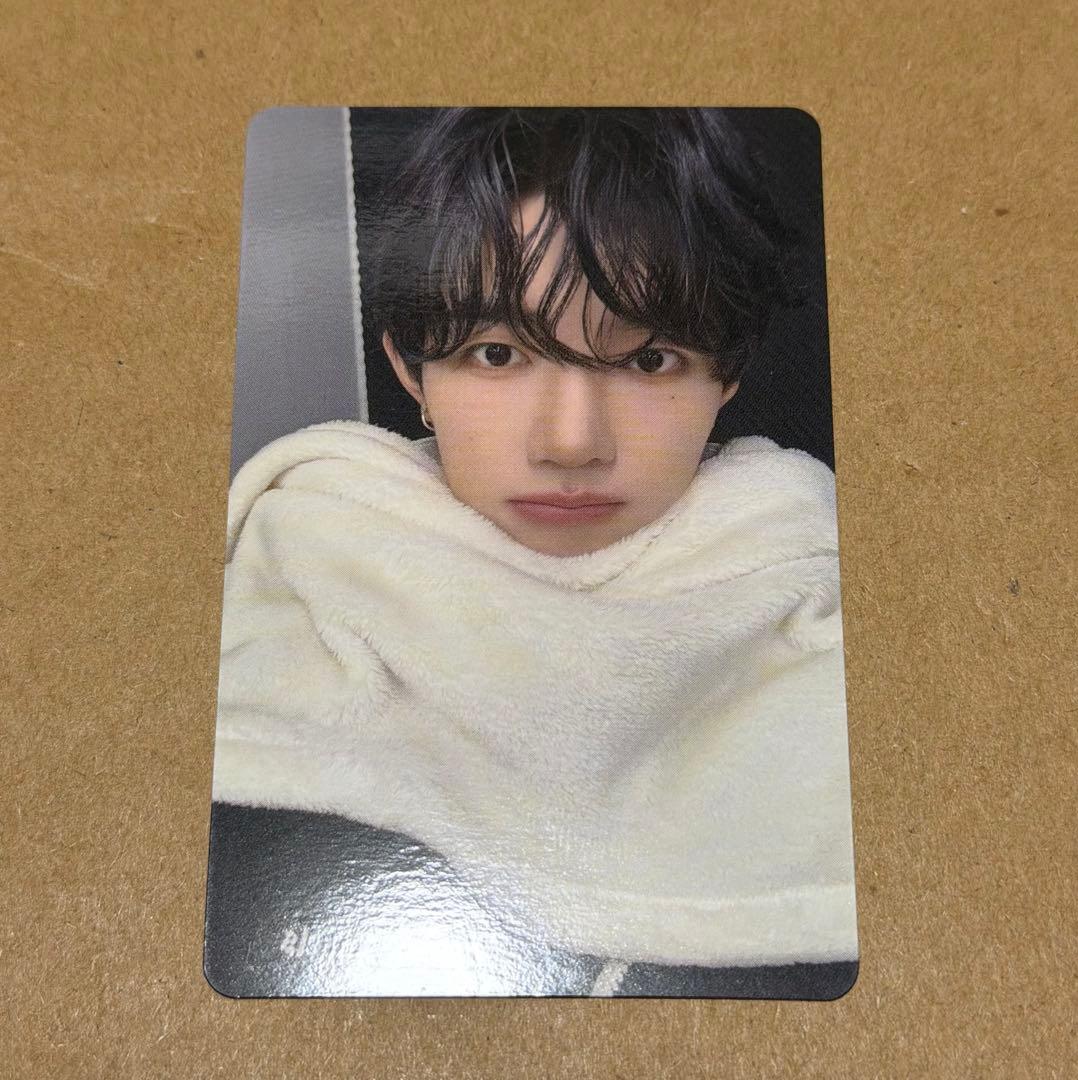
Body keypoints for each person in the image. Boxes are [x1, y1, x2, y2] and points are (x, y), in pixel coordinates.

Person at [205, 108, 859, 999]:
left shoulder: (816, 585)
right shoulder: (301, 563)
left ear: (728, 374)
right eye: (497, 353)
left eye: (650, 360)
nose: (571, 443)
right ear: (410, 369)